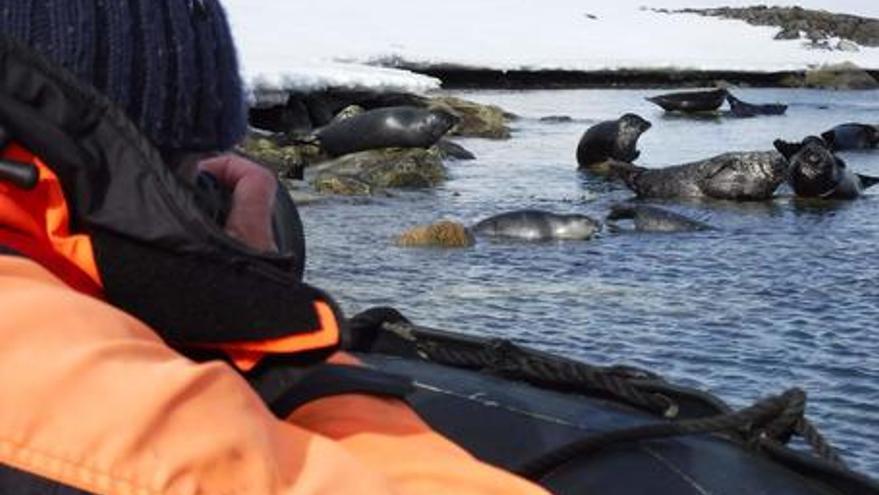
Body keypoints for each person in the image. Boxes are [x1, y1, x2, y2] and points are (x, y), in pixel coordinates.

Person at [0, 1, 548, 494]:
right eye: (192, 171)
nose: (204, 202)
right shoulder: (83, 405)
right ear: (120, 161)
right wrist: (252, 314)